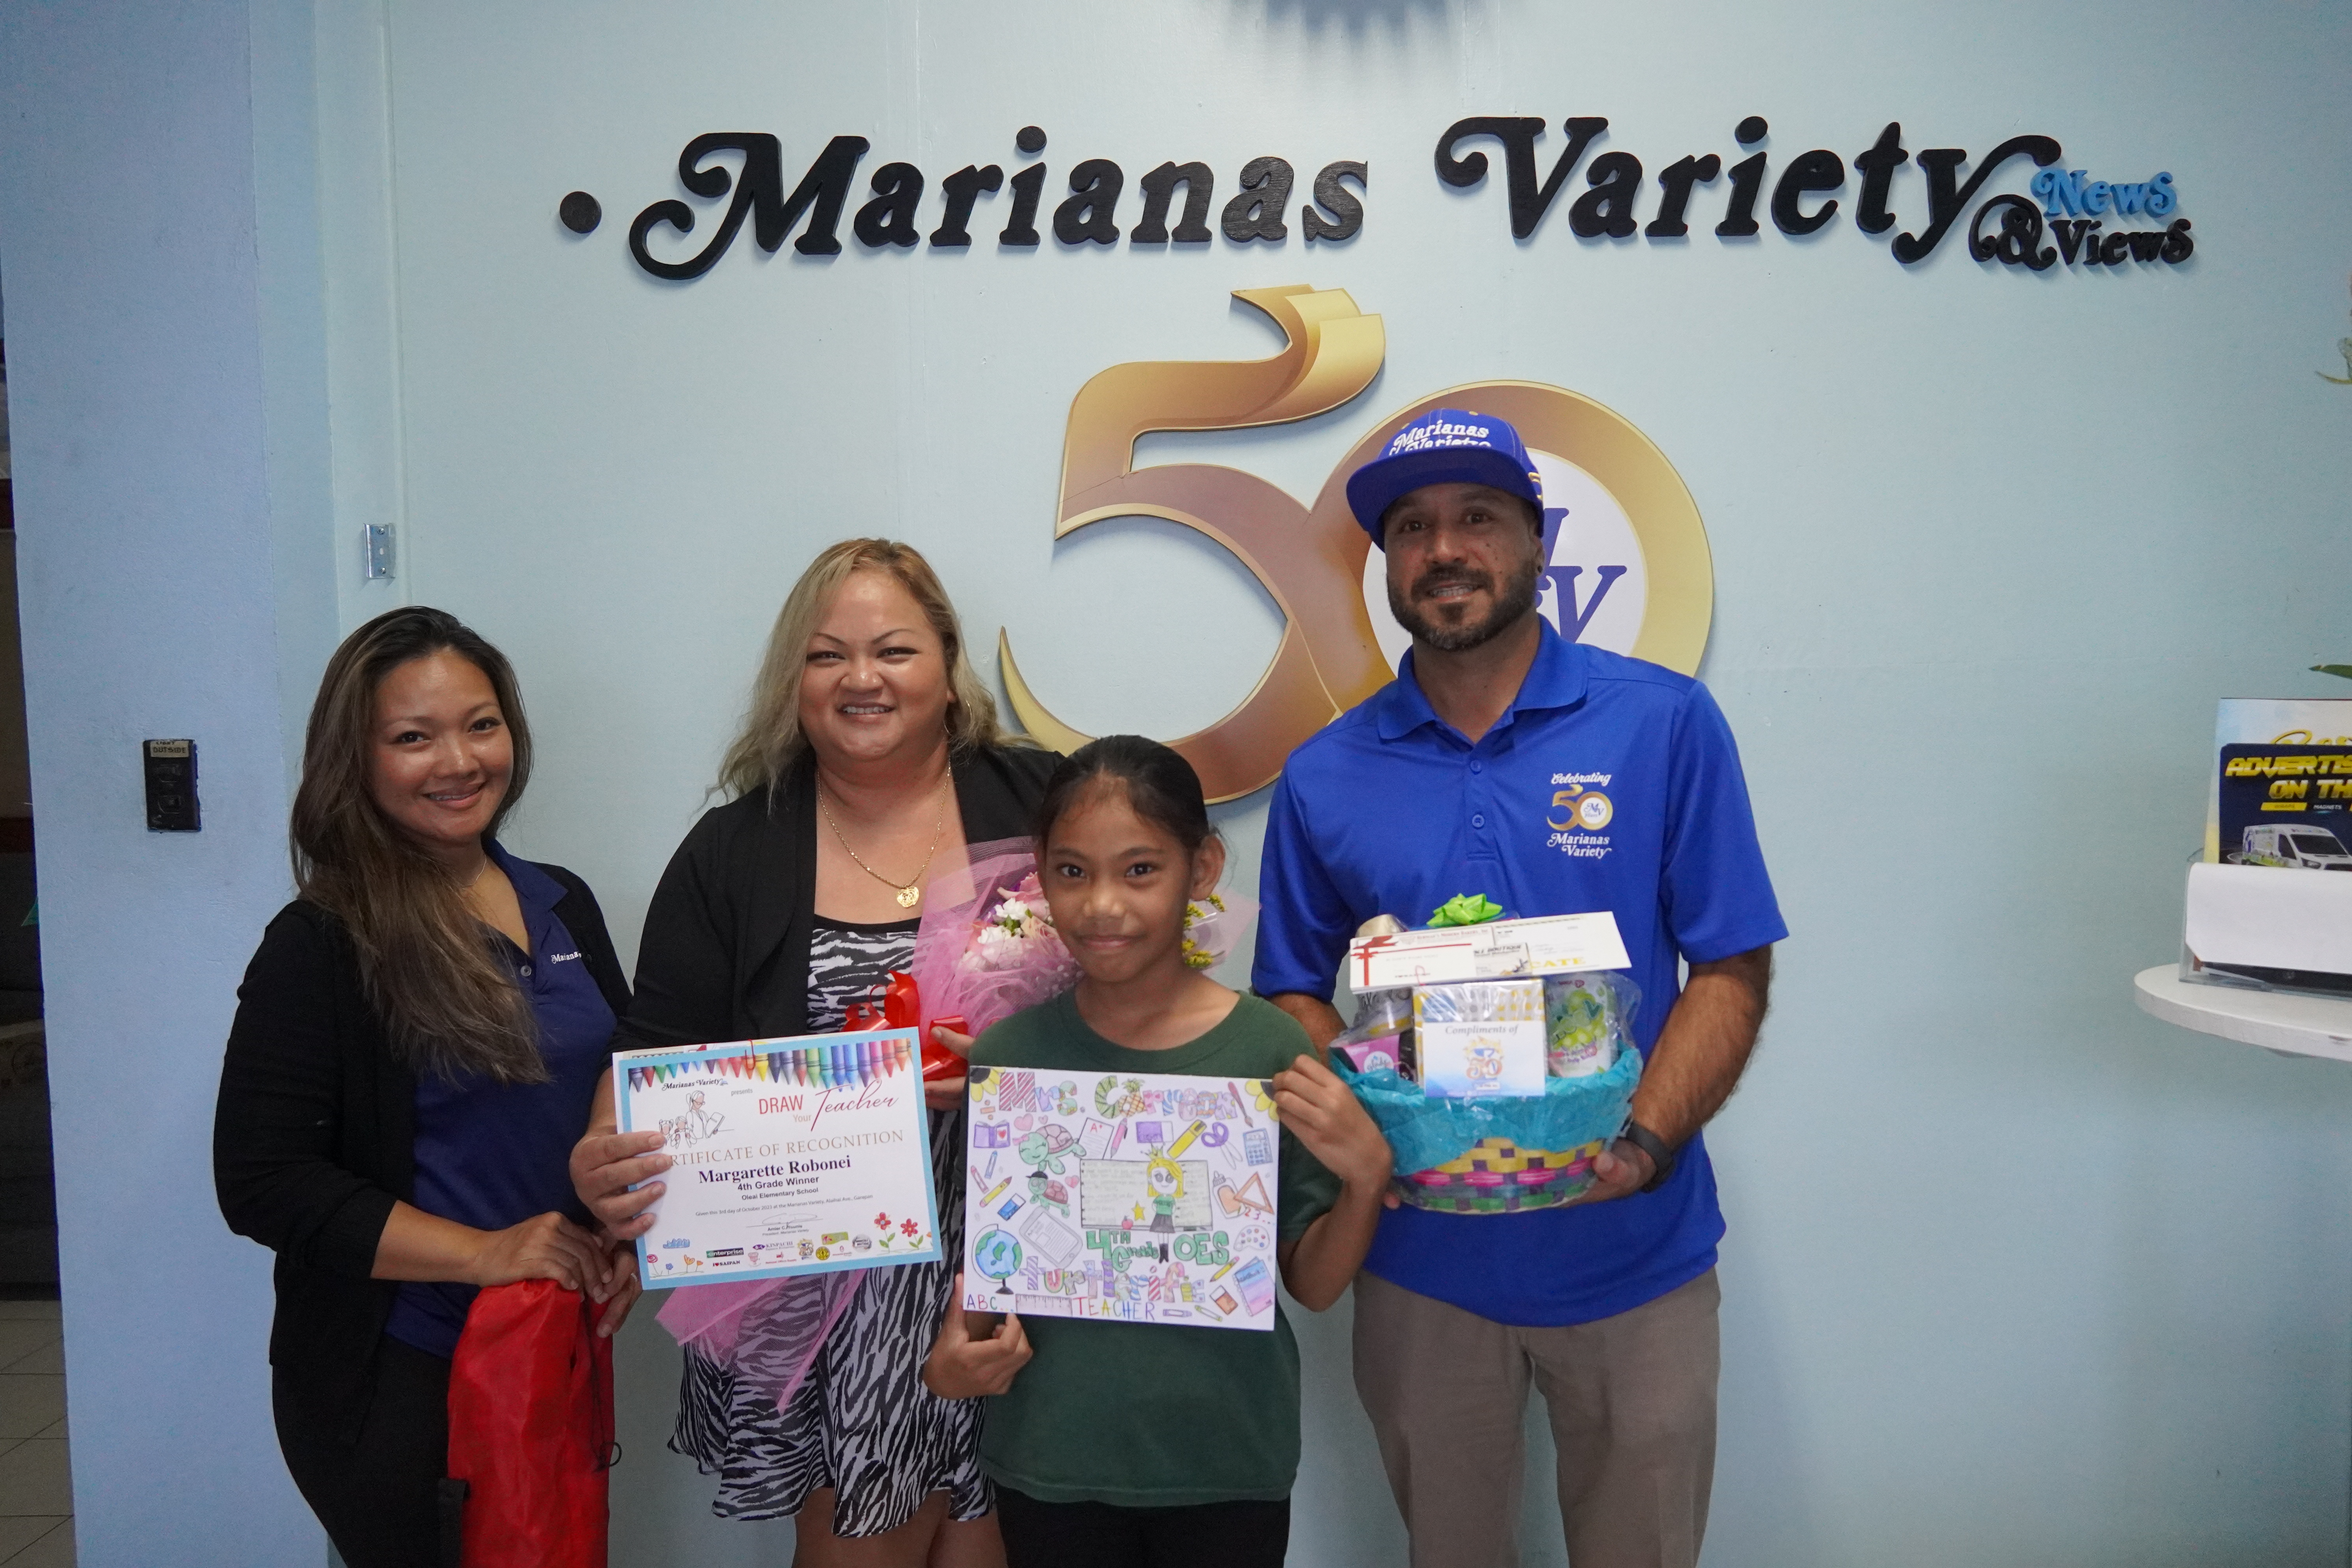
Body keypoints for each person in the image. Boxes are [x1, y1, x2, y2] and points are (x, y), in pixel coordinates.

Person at [1252, 409, 1787, 1568]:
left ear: (1538, 540)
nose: (1445, 548)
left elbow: (1731, 965)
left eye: (1479, 517)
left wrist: (1643, 1145)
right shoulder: (1324, 773)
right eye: (1412, 527)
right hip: (1421, 1269)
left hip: (1633, 1252)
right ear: (1386, 560)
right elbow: (1292, 992)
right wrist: (1371, 1133)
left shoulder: (1663, 724)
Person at [569, 538, 1054, 1566]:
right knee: (856, 1542)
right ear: (793, 682)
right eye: (827, 655)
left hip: (1021, 1259)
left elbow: (1136, 977)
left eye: (893, 650)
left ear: (948, 664)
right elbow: (652, 1049)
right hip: (826, 1288)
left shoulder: (1042, 801)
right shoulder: (734, 849)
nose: (861, 678)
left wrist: (1013, 1067)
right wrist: (605, 1151)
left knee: (1002, 1539)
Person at [214, 606, 638, 1568]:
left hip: (549, 1341)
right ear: (355, 759)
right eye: (414, 737)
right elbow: (262, 1180)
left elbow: (618, 1073)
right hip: (405, 1367)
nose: (459, 760)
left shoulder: (563, 898)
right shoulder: (322, 941)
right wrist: (485, 1251)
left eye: (481, 724)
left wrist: (616, 1230)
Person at [923, 735, 1393, 1568]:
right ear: (1041, 875)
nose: (1103, 904)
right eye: (1073, 871)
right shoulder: (1011, 1056)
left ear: (1201, 868)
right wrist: (956, 1359)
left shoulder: (1270, 1048)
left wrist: (1365, 1178)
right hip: (1052, 1459)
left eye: (1140, 869)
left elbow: (1314, 1283)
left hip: (1226, 1461)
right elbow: (998, 1271)